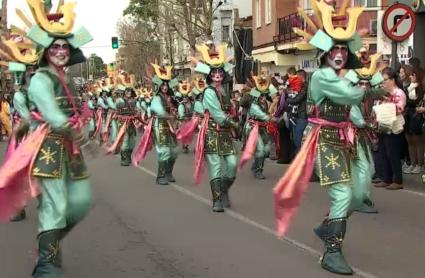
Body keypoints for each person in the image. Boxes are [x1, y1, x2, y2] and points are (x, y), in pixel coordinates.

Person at [0, 1, 95, 276]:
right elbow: (53, 115)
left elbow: (76, 112)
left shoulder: (67, 80)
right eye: (55, 46)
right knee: (54, 205)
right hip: (48, 146)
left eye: (65, 46)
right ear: (45, 51)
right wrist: (76, 132)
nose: (61, 51)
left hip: (70, 148)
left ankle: (49, 245)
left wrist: (81, 130)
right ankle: (46, 265)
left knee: (80, 202)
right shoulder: (41, 79)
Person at [274, 1, 368, 274]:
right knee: (342, 194)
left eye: (342, 48)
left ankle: (328, 226)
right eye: (333, 48)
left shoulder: (345, 75)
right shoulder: (322, 77)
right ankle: (331, 252)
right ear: (325, 53)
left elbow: (358, 90)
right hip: (324, 140)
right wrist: (372, 88)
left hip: (346, 139)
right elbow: (351, 95)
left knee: (359, 195)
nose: (339, 53)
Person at [193, 43, 238, 212]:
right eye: (214, 72)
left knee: (232, 165)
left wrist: (234, 121)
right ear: (210, 75)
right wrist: (233, 123)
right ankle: (217, 199)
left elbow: (230, 110)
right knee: (216, 166)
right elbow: (218, 115)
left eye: (220, 72)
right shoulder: (209, 92)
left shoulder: (225, 91)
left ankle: (224, 189)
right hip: (212, 132)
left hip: (225, 134)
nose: (217, 74)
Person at [133, 63, 179, 185]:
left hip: (170, 125)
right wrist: (170, 115)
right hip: (160, 125)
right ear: (159, 86)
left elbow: (174, 109)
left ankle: (168, 172)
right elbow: (160, 112)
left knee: (174, 151)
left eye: (166, 84)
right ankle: (161, 175)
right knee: (164, 150)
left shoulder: (169, 97)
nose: (164, 87)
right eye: (162, 85)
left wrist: (176, 112)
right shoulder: (156, 98)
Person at [239, 70, 278, 179]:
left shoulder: (265, 95)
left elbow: (275, 97)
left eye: (265, 96)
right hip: (253, 127)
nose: (264, 98)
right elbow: (244, 103)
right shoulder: (253, 98)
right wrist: (271, 118)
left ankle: (255, 166)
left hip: (262, 127)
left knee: (266, 150)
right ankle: (258, 171)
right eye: (262, 96)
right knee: (260, 149)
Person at [374, 67, 407, 190]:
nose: (384, 82)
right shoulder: (383, 92)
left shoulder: (399, 93)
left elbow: (399, 109)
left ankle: (398, 180)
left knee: (392, 153)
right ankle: (386, 178)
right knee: (383, 152)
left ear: (393, 80)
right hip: (383, 125)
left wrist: (388, 103)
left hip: (394, 126)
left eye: (385, 80)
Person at [403, 68, 425, 174]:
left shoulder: (421, 89)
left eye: (413, 75)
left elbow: (415, 101)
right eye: (410, 75)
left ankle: (420, 165)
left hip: (417, 115)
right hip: (408, 114)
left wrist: (407, 101)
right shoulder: (407, 87)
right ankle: (412, 164)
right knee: (409, 140)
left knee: (417, 140)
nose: (411, 76)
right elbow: (406, 101)